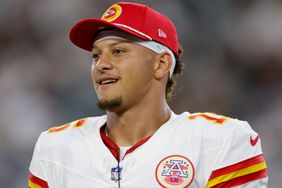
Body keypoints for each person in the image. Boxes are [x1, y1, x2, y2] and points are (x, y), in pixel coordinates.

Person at [28, 2, 268, 188]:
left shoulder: (222, 141)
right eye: (95, 55)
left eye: (119, 51)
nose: (101, 64)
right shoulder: (55, 147)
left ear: (161, 64)